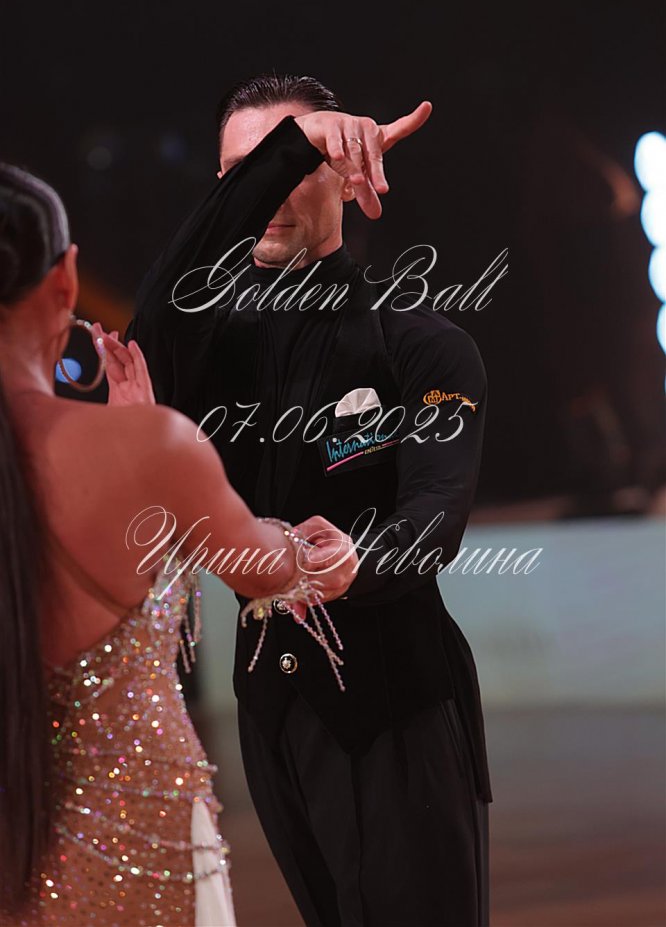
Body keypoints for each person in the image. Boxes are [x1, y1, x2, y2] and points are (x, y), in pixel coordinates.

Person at [126, 76, 492, 926]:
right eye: (243, 174)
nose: (267, 193)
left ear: (348, 178)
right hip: (273, 713)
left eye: (295, 167)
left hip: (401, 708)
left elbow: (438, 507)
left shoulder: (419, 341)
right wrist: (293, 145)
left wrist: (361, 561)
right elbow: (157, 316)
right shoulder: (201, 347)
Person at [0, 162, 357, 926]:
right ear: (66, 279)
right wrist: (316, 548)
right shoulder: (148, 448)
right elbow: (270, 569)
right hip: (143, 845)